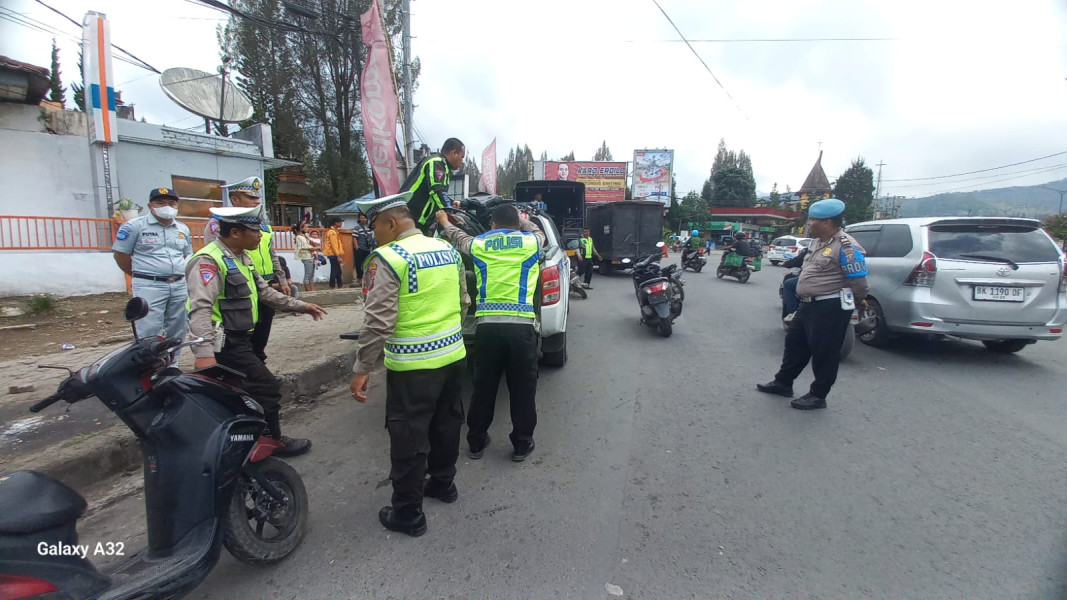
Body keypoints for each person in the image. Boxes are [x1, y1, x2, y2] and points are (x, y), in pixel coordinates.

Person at [349, 192, 468, 538]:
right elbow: (462, 301)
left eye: (376, 228)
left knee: (409, 438)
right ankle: (443, 485)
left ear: (390, 223)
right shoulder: (447, 249)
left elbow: (378, 322)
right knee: (446, 426)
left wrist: (362, 368)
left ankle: (408, 513)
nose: (375, 235)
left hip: (413, 366)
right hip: (453, 356)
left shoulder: (388, 258)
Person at [187, 206, 327, 456]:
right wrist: (203, 352)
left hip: (241, 339)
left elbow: (264, 293)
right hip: (225, 344)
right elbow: (200, 309)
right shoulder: (208, 261)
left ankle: (243, 442)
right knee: (266, 387)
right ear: (236, 233)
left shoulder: (240, 257)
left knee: (243, 392)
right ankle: (271, 441)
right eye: (255, 231)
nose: (261, 236)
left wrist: (301, 305)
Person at [436, 204, 544, 463]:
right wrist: (523, 220)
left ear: (493, 225)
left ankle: (476, 441)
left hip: (488, 329)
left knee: (483, 388)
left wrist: (443, 221)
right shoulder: (531, 242)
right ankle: (521, 444)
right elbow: (540, 232)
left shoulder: (480, 244)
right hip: (521, 328)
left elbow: (457, 237)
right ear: (516, 222)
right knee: (522, 391)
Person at [757, 198, 869, 410]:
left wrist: (856, 302)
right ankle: (783, 382)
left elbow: (860, 283)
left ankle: (818, 395)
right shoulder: (817, 242)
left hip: (830, 306)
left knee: (824, 352)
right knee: (795, 343)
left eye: (813, 220)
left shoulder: (846, 247)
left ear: (827, 222)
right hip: (808, 304)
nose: (809, 223)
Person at [204, 176, 290, 363]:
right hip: (236, 288)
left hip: (263, 286)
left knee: (261, 333)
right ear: (235, 199)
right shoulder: (219, 223)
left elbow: (272, 254)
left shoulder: (261, 223)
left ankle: (258, 365)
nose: (257, 201)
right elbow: (216, 257)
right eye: (251, 197)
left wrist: (282, 280)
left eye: (257, 197)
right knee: (239, 337)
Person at [111, 187, 192, 366]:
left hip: (178, 284)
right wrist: (140, 275)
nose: (167, 207)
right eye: (160, 203)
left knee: (178, 328)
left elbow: (187, 255)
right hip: (149, 285)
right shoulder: (134, 226)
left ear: (177, 205)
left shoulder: (183, 229)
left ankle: (171, 365)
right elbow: (121, 256)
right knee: (149, 329)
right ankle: (150, 368)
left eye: (171, 203)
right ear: (150, 205)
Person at [401, 138, 466, 234]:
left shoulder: (444, 167)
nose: (462, 162)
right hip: (409, 216)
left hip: (420, 220)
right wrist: (450, 213)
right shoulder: (436, 162)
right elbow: (437, 191)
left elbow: (437, 193)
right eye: (462, 157)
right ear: (454, 153)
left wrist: (451, 202)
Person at [351, 212, 376, 281]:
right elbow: (354, 237)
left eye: (365, 218)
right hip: (360, 248)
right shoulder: (357, 227)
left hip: (367, 248)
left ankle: (366, 277)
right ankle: (359, 278)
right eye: (362, 218)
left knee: (367, 263)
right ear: (359, 219)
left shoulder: (369, 227)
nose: (363, 219)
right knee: (359, 263)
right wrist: (356, 246)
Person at [293, 222, 316, 292]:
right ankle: (308, 290)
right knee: (308, 275)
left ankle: (312, 290)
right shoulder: (299, 237)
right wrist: (316, 247)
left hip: (310, 256)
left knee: (311, 275)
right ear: (301, 228)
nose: (307, 228)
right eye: (306, 227)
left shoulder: (305, 236)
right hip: (306, 257)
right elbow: (305, 247)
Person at [323, 216, 345, 289]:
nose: (341, 223)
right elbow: (334, 245)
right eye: (340, 222)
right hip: (333, 254)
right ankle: (332, 285)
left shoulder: (334, 231)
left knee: (338, 271)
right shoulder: (332, 232)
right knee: (335, 270)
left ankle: (339, 285)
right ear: (336, 223)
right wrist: (338, 255)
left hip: (334, 254)